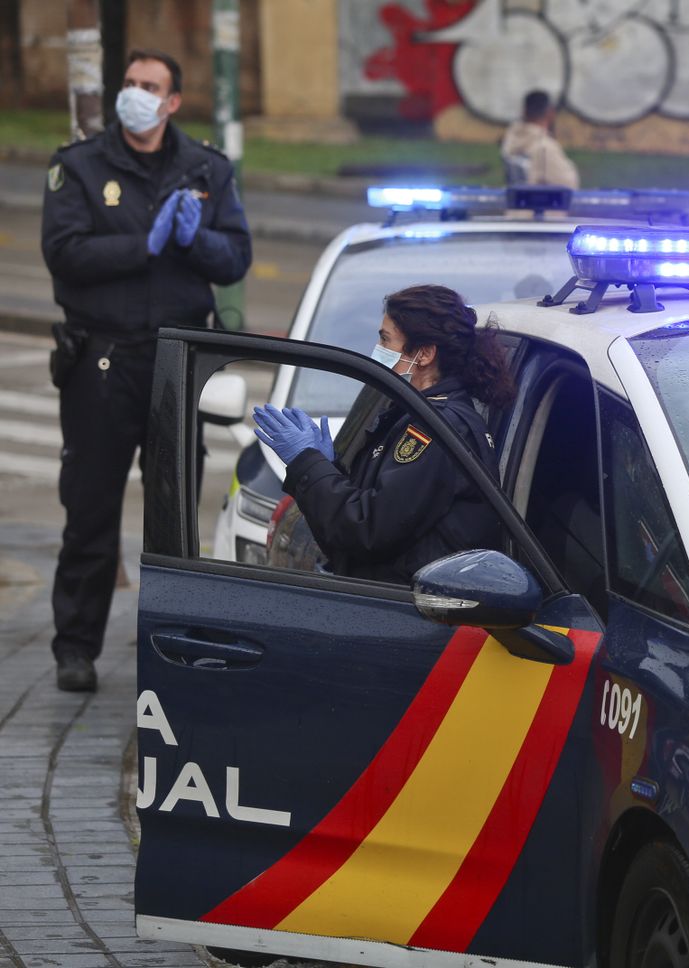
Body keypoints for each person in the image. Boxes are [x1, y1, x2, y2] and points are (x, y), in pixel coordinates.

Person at [41, 48, 251, 692]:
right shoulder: (79, 166)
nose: (135, 93)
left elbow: (235, 256)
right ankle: (76, 648)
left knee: (174, 516)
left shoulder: (206, 168)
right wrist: (146, 245)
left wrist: (195, 239)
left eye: (149, 85)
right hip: (102, 362)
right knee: (91, 509)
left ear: (172, 101)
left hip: (174, 364)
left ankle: (173, 650)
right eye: (129, 83)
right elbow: (65, 252)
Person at [252, 285, 512, 585]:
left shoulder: (437, 430)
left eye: (385, 339)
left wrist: (307, 464)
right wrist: (328, 467)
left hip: (416, 615)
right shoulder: (414, 413)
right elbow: (371, 516)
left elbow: (366, 530)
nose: (378, 350)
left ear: (424, 354)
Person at [501, 90, 578, 189]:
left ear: (524, 111)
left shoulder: (511, 139)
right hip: (541, 203)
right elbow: (568, 187)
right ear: (551, 113)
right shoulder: (545, 147)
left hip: (518, 201)